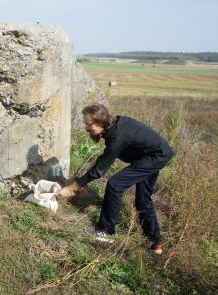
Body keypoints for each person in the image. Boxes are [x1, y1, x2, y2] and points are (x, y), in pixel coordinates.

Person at [56, 104, 173, 254]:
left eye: (88, 124)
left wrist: (74, 186)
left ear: (100, 122)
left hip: (155, 156)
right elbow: (104, 159)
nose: (86, 128)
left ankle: (104, 230)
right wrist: (81, 179)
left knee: (115, 184)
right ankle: (155, 244)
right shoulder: (115, 126)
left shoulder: (117, 136)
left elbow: (99, 170)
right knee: (143, 199)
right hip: (154, 154)